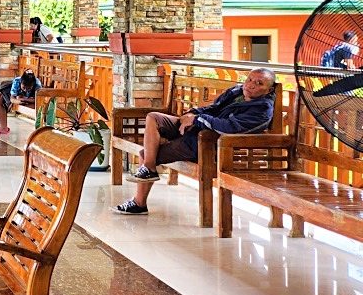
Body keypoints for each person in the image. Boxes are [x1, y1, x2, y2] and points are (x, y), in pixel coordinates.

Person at [114, 68, 276, 216]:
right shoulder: (236, 92)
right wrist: (191, 113)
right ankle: (149, 170)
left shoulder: (262, 109)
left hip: (206, 145)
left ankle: (139, 203)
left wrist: (197, 119)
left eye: (259, 83)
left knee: (146, 153)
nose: (251, 85)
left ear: (268, 90)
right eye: (250, 79)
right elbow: (213, 107)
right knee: (153, 117)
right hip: (196, 130)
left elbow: (231, 128)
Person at [0, 70, 41, 136]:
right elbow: (12, 98)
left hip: (26, 98)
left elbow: (38, 99)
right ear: (20, 82)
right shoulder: (17, 81)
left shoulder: (37, 84)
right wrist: (17, 100)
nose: (25, 90)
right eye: (23, 87)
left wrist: (23, 99)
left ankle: (3, 128)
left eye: (29, 88)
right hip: (15, 94)